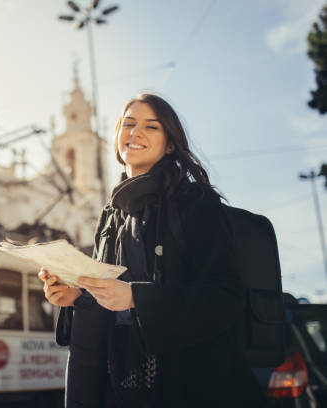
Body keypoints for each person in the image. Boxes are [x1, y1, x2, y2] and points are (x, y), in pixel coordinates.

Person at [39, 93, 267, 408]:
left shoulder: (195, 202)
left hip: (186, 388)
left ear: (170, 144)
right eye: (128, 124)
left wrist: (135, 297)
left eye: (151, 126)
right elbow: (108, 298)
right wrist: (77, 296)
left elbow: (224, 297)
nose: (135, 132)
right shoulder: (109, 217)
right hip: (117, 388)